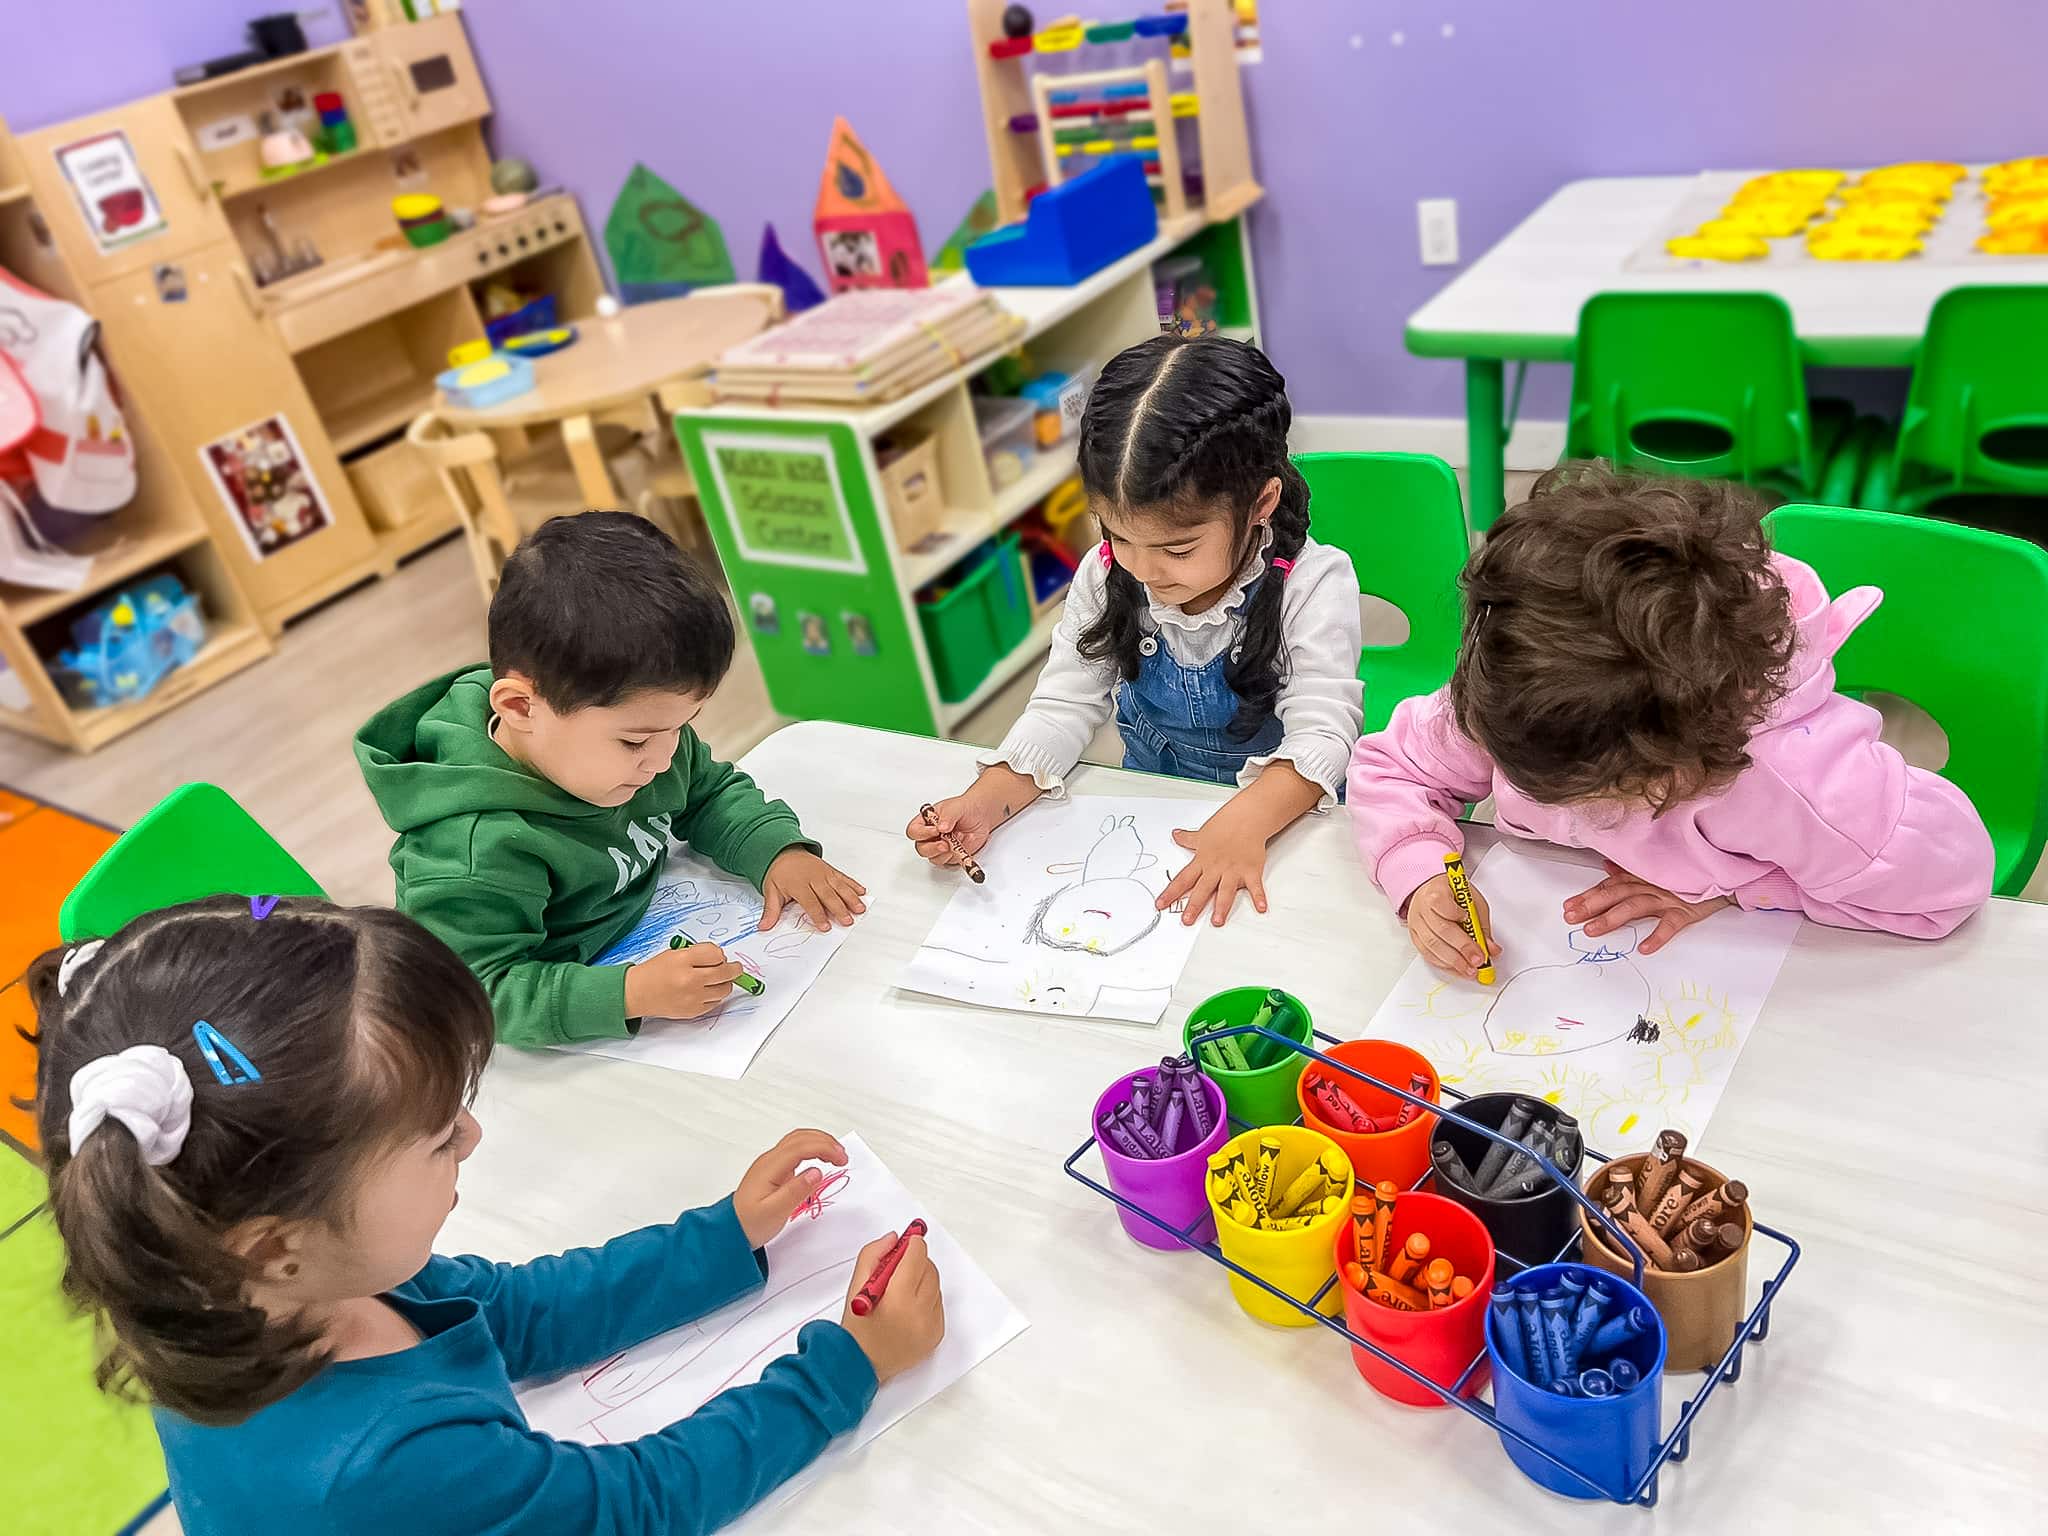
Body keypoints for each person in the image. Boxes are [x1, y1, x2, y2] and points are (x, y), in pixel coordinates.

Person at [31, 898, 943, 1536]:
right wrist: (848, 1366)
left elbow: (525, 1310)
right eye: (435, 1139)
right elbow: (631, 1508)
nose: (472, 1133)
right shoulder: (387, 1463)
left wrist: (725, 1231)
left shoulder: (235, 1281)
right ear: (274, 1243)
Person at [1348, 465, 1994, 975]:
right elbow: (1394, 765)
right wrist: (1422, 871)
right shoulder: (1522, 693)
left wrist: (1739, 888)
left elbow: (1952, 882)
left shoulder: (1797, 781)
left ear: (1685, 766)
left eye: (1604, 796)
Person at [356, 513, 866, 1046]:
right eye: (636, 741)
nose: (665, 759)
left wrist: (775, 851)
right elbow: (480, 993)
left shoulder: (641, 737)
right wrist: (626, 995)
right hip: (550, 1047)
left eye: (683, 727)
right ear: (519, 706)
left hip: (649, 945)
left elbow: (707, 791)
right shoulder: (472, 849)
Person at [909, 335, 1363, 925]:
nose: (1142, 569)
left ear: (1260, 503)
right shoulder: (1105, 576)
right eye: (1117, 535)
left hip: (1285, 824)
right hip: (1155, 816)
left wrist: (1245, 821)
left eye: (1177, 548)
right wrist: (986, 799)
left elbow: (1324, 734)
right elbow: (1062, 707)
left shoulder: (1312, 583)